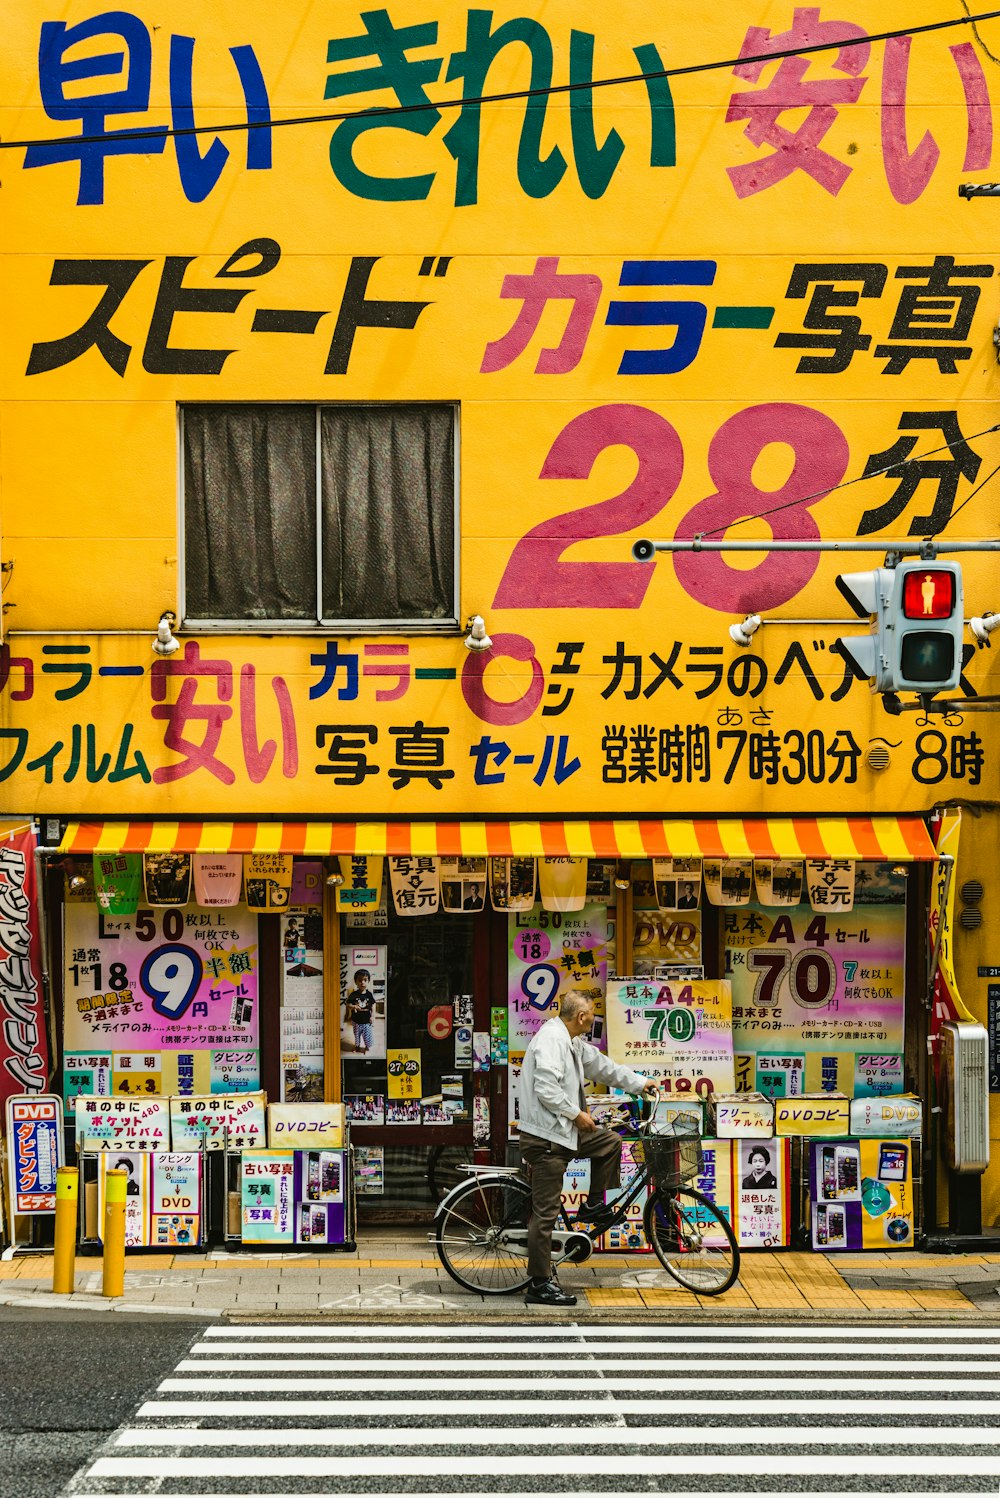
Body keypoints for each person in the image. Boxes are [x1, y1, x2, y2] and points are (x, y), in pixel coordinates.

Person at [518, 991, 659, 1307]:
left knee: (610, 1141)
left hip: (563, 1133)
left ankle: (593, 1205)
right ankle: (539, 1283)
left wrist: (640, 1082)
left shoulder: (572, 1043)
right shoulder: (551, 1040)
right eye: (593, 1014)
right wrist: (576, 1113)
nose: (594, 1019)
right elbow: (545, 1088)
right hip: (546, 1139)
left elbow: (604, 1068)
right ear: (581, 1017)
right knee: (546, 1213)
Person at [345, 969, 375, 1053]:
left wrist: (372, 1016)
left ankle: (367, 1047)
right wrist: (353, 1006)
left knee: (367, 1036)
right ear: (356, 982)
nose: (362, 982)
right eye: (360, 980)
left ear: (368, 981)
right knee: (357, 1035)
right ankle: (357, 1046)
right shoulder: (353, 994)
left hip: (366, 1021)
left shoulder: (369, 994)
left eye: (365, 980)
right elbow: (348, 1004)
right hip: (356, 1021)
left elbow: (372, 1005)